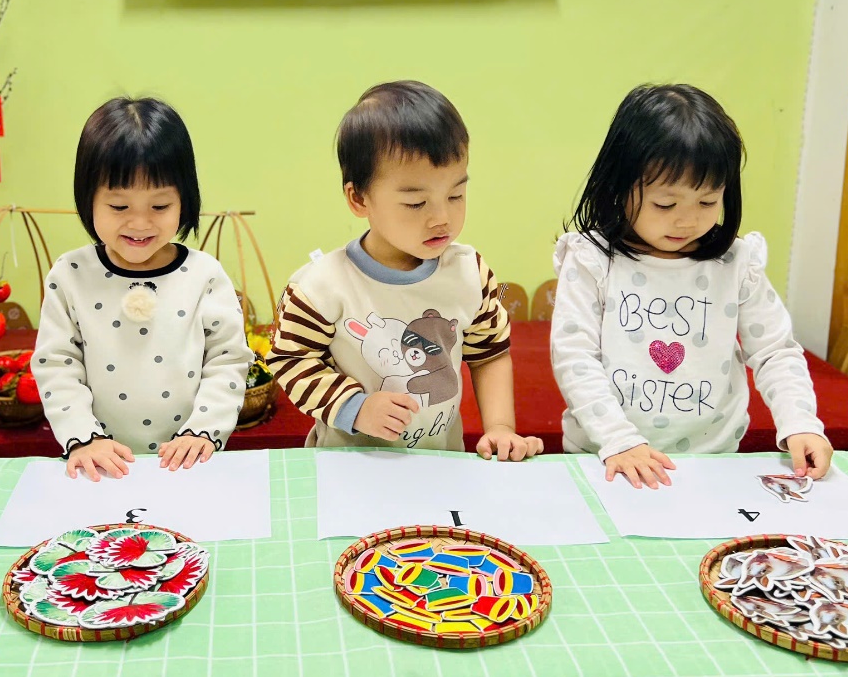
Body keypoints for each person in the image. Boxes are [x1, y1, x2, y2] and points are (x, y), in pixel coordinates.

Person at [552, 84, 834, 489]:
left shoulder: (736, 263)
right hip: (606, 459)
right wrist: (618, 439)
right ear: (618, 187)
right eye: (665, 204)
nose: (687, 221)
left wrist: (801, 422)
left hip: (712, 462)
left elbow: (775, 351)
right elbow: (575, 355)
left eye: (707, 202)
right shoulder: (592, 260)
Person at [267, 81, 542, 460]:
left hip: (439, 462)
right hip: (348, 466)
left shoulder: (469, 273)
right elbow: (289, 360)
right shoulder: (320, 286)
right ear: (359, 198)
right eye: (416, 203)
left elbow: (490, 353)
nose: (442, 217)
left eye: (456, 195)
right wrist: (355, 407)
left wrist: (500, 427)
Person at [36, 97, 253, 480]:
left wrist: (203, 430)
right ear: (88, 199)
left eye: (160, 206)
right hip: (99, 466)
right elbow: (57, 365)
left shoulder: (204, 275)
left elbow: (227, 360)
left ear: (184, 200)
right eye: (119, 207)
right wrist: (84, 438)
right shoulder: (70, 274)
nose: (139, 223)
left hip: (189, 463)